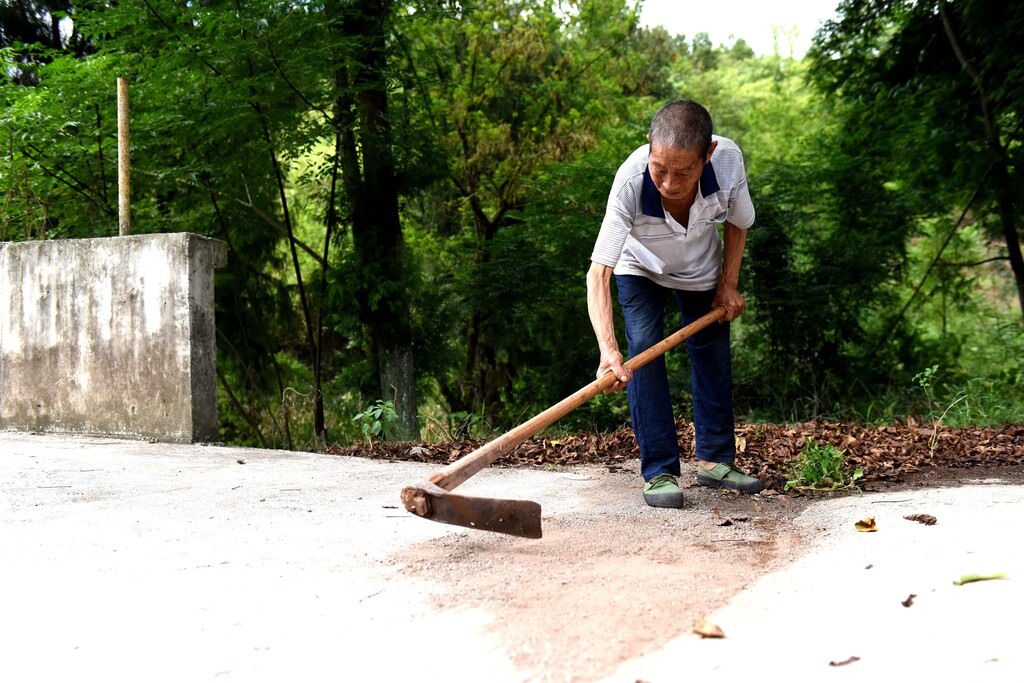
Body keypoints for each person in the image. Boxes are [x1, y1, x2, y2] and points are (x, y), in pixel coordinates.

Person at [586, 99, 763, 508]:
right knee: (643, 352)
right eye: (660, 168)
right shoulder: (630, 181)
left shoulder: (729, 161)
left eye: (683, 171)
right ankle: (659, 470)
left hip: (700, 268)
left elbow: (739, 221)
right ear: (649, 145)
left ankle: (716, 462)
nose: (668, 182)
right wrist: (608, 352)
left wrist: (728, 284)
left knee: (712, 353)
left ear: (708, 155)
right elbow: (599, 274)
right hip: (639, 265)